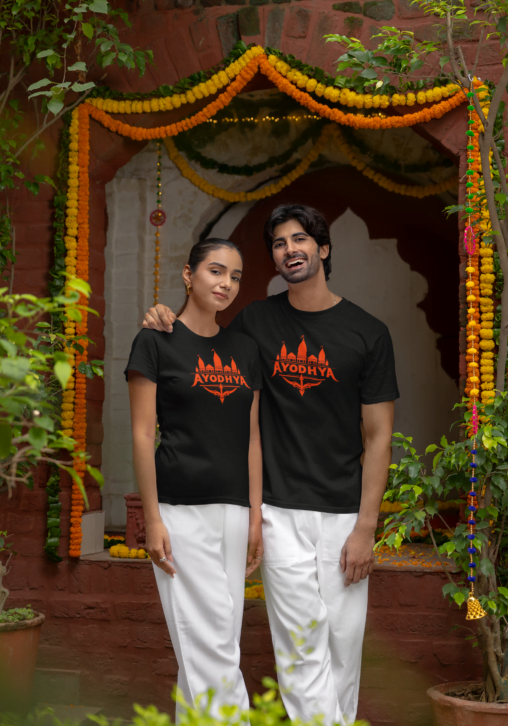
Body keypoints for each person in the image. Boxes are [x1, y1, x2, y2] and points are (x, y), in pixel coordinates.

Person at [142, 205, 399, 725]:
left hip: (345, 513)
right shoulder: (256, 321)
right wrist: (162, 317)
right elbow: (201, 337)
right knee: (301, 653)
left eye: (300, 239)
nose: (290, 250)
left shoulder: (368, 333)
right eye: (279, 244)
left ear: (323, 249)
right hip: (279, 512)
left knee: (343, 650)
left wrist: (367, 526)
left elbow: (379, 436)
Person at [126, 238, 263, 720]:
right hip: (180, 511)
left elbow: (251, 439)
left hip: (234, 512)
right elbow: (143, 434)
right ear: (189, 275)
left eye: (236, 276)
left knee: (214, 638)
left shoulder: (245, 349)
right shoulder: (155, 339)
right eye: (215, 271)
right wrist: (153, 516)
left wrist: (253, 517)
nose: (226, 283)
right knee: (209, 643)